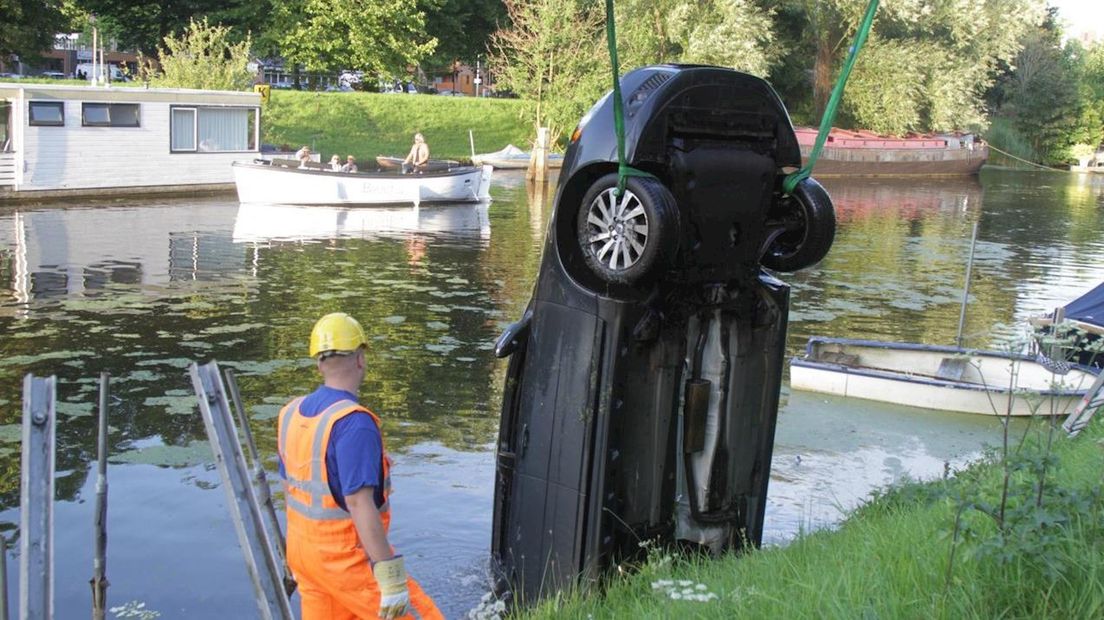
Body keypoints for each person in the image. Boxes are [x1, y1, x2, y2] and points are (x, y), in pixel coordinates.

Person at [278, 313, 443, 620]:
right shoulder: (355, 423)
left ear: (319, 363)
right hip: (345, 562)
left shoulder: (291, 413)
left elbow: (294, 483)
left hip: (304, 558)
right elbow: (357, 502)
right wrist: (391, 579)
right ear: (360, 359)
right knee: (420, 614)